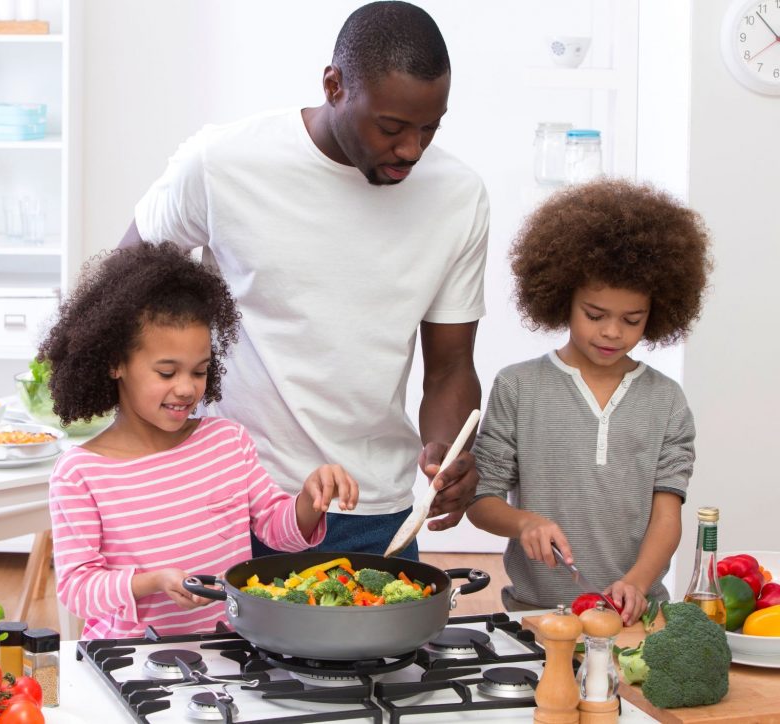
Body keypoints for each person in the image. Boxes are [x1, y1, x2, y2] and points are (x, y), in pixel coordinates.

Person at [119, 1, 490, 559]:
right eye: (391, 127)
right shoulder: (223, 163)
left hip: (373, 511)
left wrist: (450, 451)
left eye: (429, 128)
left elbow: (450, 367)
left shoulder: (458, 197)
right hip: (229, 495)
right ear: (334, 85)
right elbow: (123, 291)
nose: (411, 149)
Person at [40, 242, 359, 639]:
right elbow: (77, 590)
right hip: (131, 660)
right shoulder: (81, 473)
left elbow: (276, 530)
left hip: (227, 649)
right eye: (167, 372)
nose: (186, 388)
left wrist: (310, 500)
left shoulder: (226, 441)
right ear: (115, 363)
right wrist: (151, 581)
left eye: (199, 371)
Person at [466, 179, 713, 625]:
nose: (612, 332)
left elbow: (667, 516)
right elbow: (482, 501)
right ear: (563, 299)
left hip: (633, 615)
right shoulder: (518, 386)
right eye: (595, 315)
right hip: (536, 614)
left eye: (631, 319)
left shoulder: (666, 400)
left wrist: (636, 583)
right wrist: (525, 523)